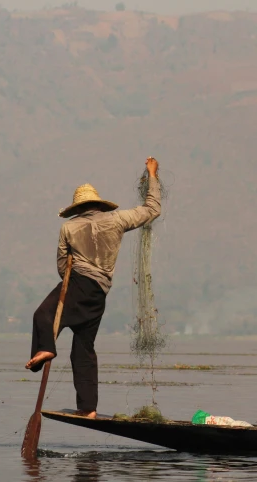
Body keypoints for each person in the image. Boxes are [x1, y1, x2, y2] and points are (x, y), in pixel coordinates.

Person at [25, 157, 161, 418]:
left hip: (77, 284)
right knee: (83, 348)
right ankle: (88, 408)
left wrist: (71, 281)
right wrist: (152, 175)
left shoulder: (69, 227)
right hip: (99, 293)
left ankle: (46, 348)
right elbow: (152, 209)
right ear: (99, 205)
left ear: (78, 208)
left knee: (43, 315)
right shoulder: (119, 220)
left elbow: (62, 266)